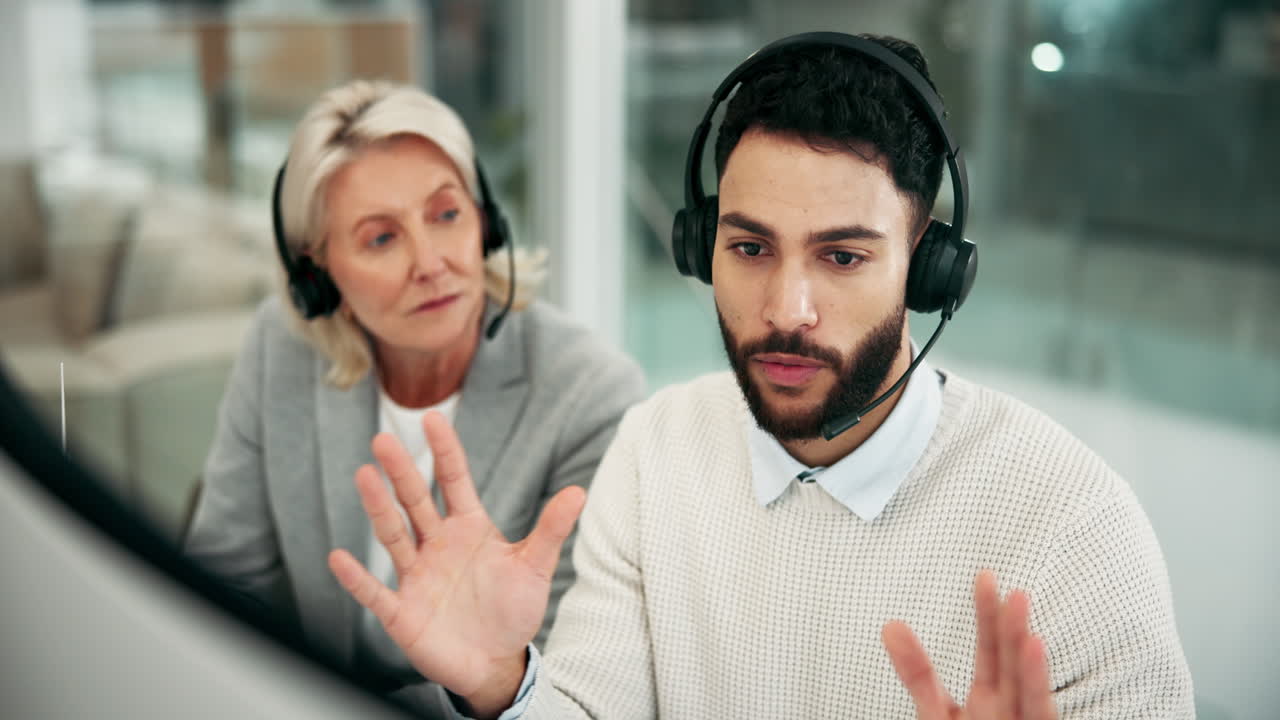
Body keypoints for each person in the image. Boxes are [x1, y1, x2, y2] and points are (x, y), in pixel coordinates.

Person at [328, 35, 1194, 719]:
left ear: (929, 269)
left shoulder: (1074, 527)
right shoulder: (657, 448)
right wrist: (503, 686)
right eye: (748, 248)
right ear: (701, 246)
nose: (786, 310)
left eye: (843, 256)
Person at [183, 80, 646, 716]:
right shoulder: (280, 348)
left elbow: (560, 686)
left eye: (446, 214)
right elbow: (223, 580)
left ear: (485, 222)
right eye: (381, 238)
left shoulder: (589, 395)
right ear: (317, 274)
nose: (429, 263)